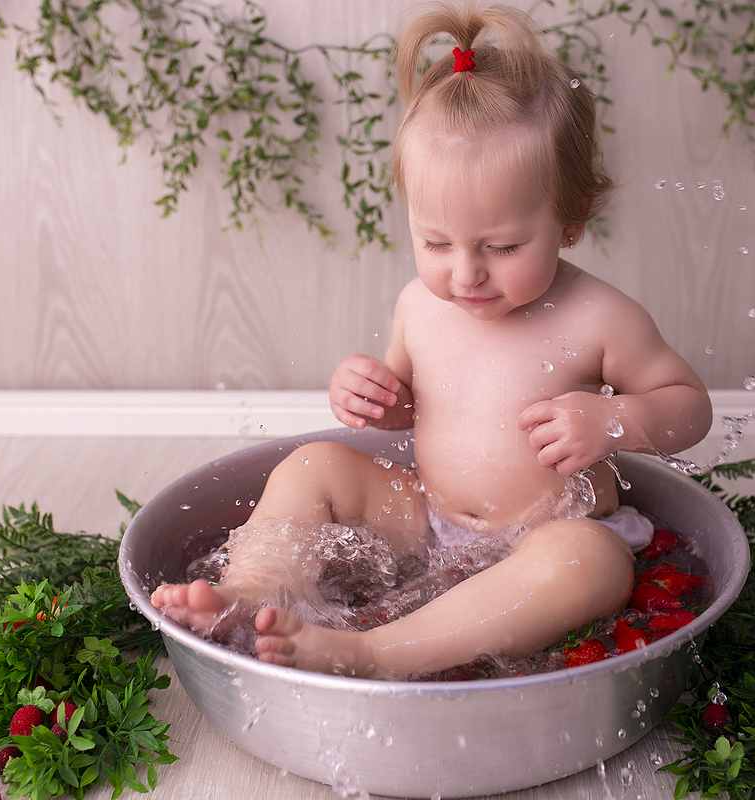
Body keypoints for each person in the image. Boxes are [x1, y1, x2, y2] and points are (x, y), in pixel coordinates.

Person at [151, 1, 712, 679]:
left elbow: (689, 407)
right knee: (314, 466)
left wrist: (618, 417)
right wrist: (375, 399)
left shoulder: (600, 316)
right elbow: (416, 410)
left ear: (571, 218)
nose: (467, 272)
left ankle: (376, 652)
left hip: (547, 534)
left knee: (587, 563)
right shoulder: (420, 304)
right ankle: (250, 592)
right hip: (433, 521)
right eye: (436, 242)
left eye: (503, 246)